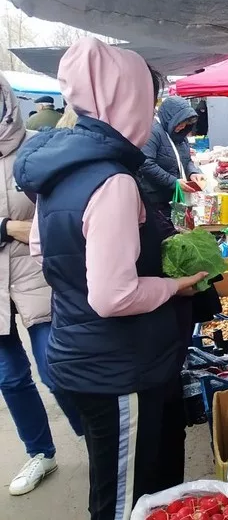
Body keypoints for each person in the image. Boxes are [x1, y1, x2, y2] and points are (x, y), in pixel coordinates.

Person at [13, 38, 208, 520]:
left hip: (81, 350)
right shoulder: (113, 180)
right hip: (118, 366)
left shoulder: (61, 166)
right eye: (147, 98)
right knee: (126, 498)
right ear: (128, 99)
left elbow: (42, 251)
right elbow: (113, 296)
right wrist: (174, 285)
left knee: (119, 485)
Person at [0, 73, 84, 497]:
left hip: (38, 275)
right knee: (9, 378)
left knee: (57, 370)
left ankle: (96, 433)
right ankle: (40, 453)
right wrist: (6, 227)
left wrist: (27, 229)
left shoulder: (37, 147)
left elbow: (65, 209)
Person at [138, 96, 205, 216]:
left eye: (186, 124)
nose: (182, 127)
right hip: (157, 200)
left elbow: (186, 160)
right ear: (170, 118)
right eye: (180, 123)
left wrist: (193, 173)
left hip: (175, 197)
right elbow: (146, 163)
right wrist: (173, 182)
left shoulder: (180, 135)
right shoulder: (153, 132)